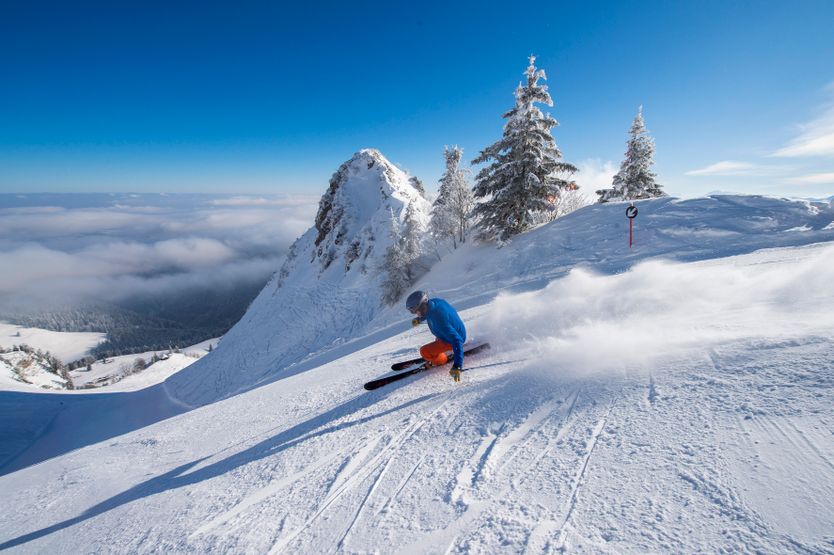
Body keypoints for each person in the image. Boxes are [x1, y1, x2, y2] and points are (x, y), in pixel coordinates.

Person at [405, 290, 466, 382]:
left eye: (414, 310)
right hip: (454, 332)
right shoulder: (434, 303)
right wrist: (420, 319)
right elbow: (429, 312)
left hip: (453, 339)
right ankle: (441, 352)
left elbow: (457, 340)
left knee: (424, 351)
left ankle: (441, 360)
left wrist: (457, 365)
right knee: (436, 342)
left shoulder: (440, 320)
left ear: (421, 306)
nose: (414, 313)